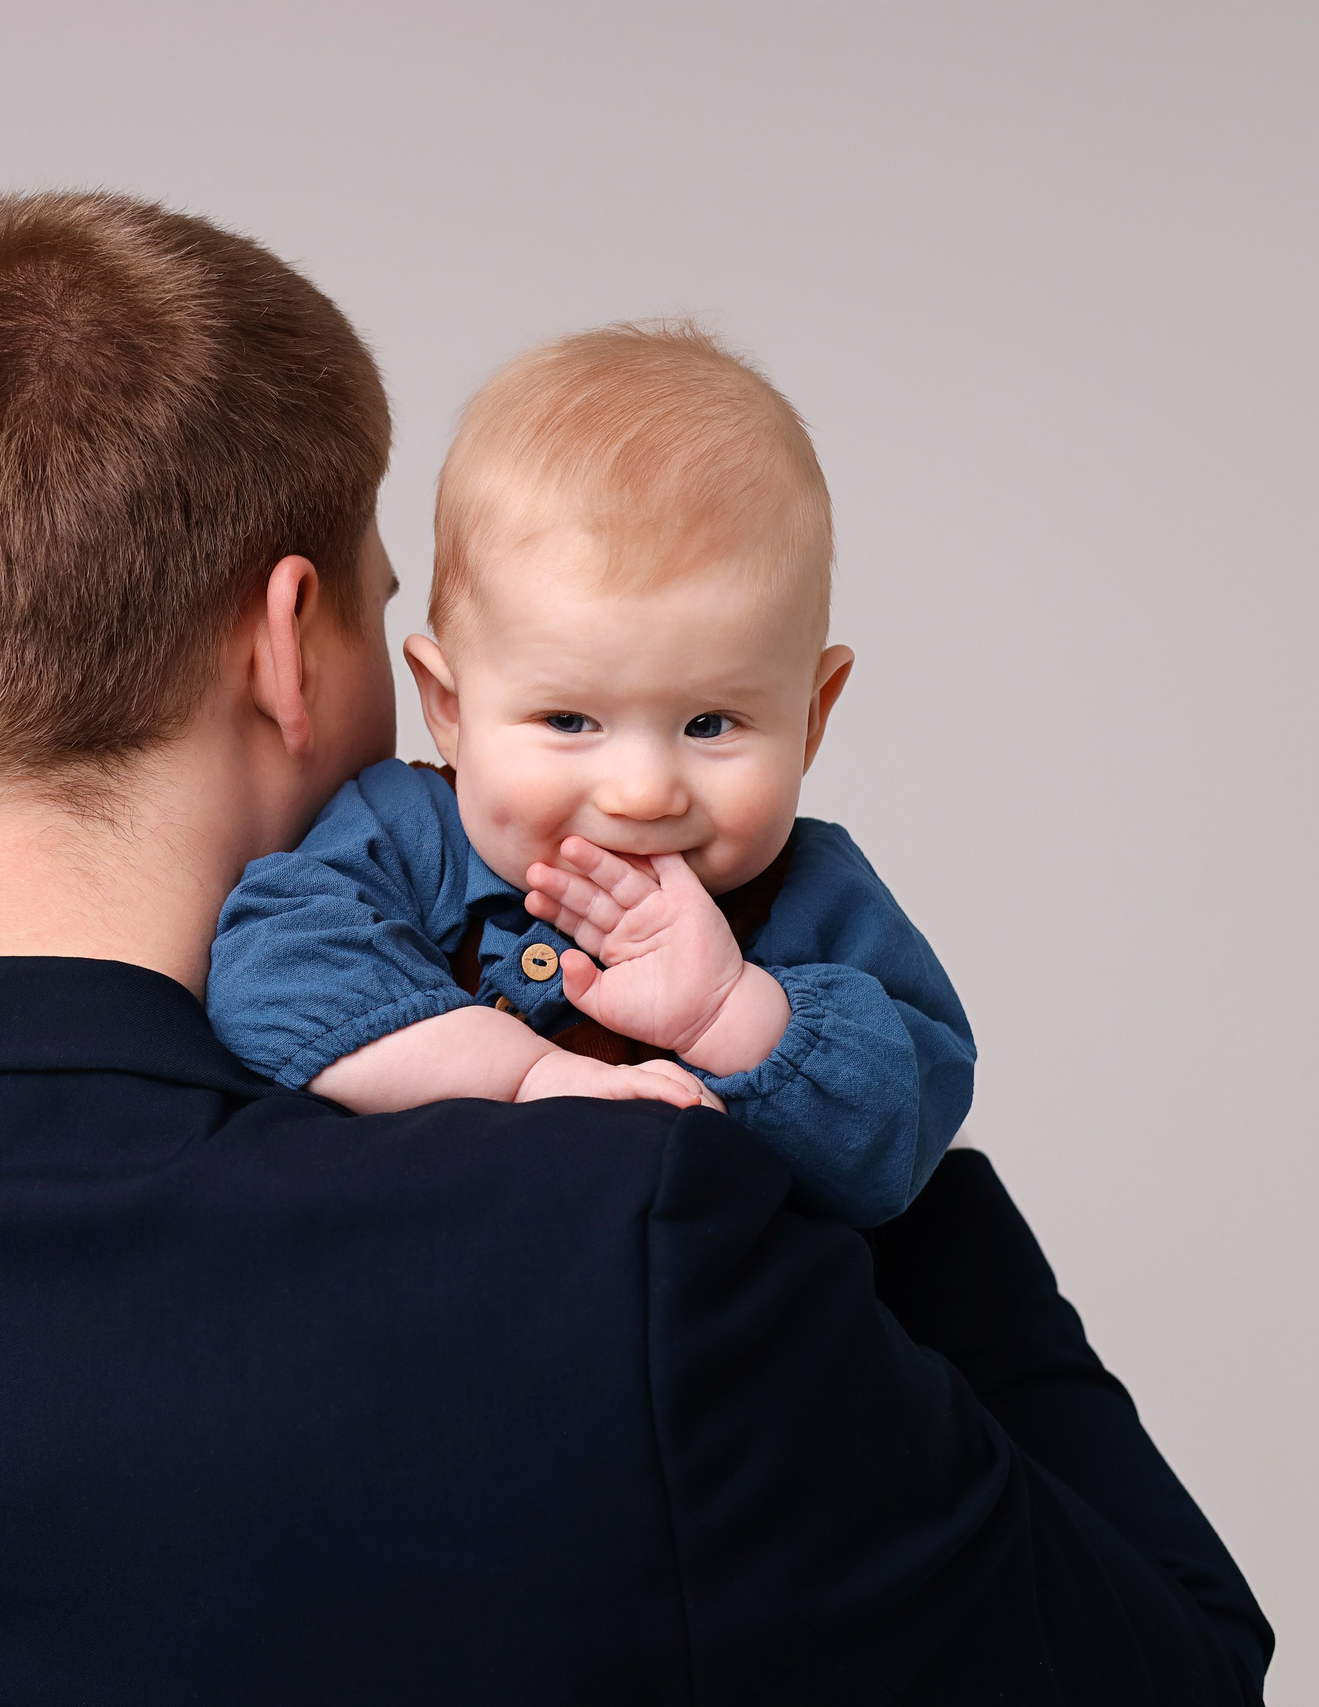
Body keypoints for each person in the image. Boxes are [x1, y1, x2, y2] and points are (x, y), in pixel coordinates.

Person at [0, 189, 1272, 1704]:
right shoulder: (620, 1234)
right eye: (389, 611)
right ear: (292, 648)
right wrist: (819, 1114)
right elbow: (1185, 1668)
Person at [208, 323, 973, 1226]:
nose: (643, 792)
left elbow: (907, 1129)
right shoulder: (405, 833)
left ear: (813, 714)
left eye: (709, 723)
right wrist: (524, 1072)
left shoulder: (819, 898)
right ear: (449, 708)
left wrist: (728, 1013)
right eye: (570, 720)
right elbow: (270, 968)